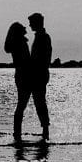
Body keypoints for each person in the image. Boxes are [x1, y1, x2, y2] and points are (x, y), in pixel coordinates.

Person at [4, 21, 31, 141]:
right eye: (22, 28)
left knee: (21, 104)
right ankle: (17, 132)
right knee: (21, 105)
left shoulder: (16, 42)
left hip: (20, 74)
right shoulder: (20, 42)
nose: (25, 28)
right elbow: (25, 60)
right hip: (24, 74)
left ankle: (17, 131)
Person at [27, 12, 52, 141]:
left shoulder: (43, 37)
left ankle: (45, 128)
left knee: (40, 102)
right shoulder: (40, 36)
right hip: (39, 73)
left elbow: (43, 58)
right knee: (39, 102)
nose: (30, 25)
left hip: (40, 74)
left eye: (31, 22)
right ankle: (45, 128)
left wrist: (35, 67)